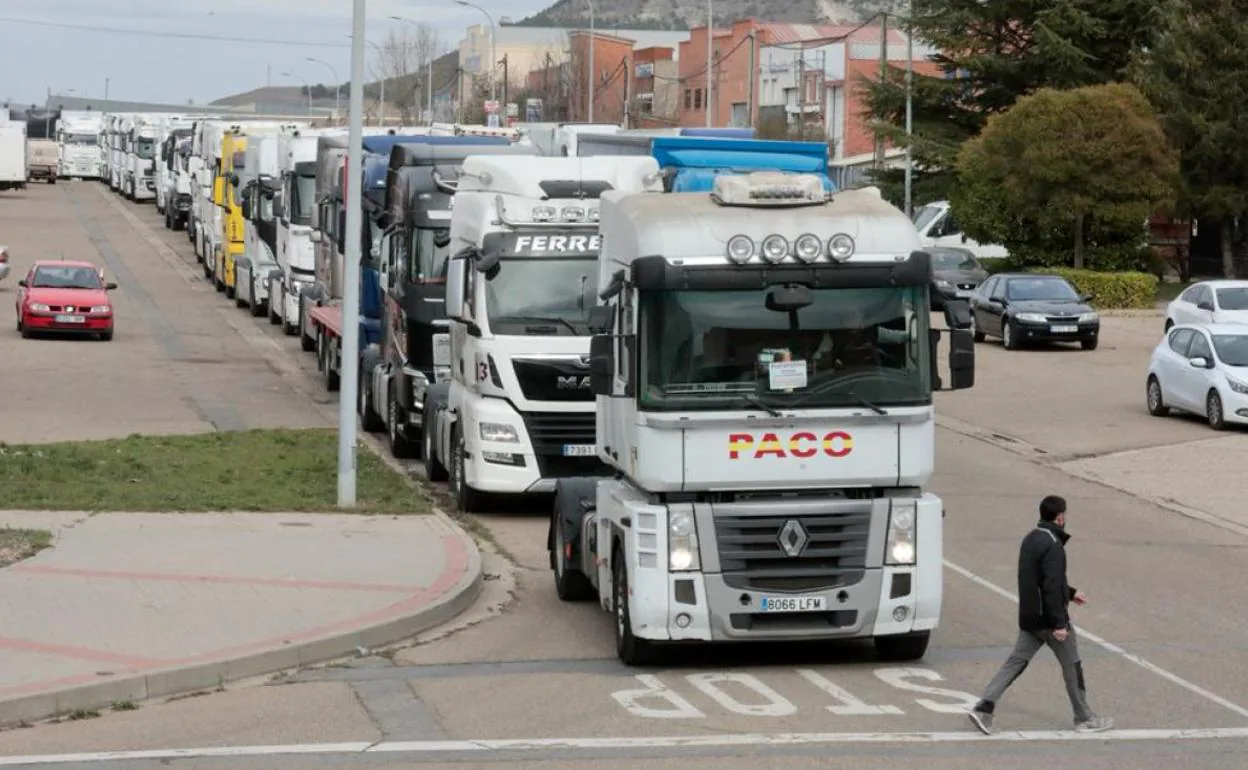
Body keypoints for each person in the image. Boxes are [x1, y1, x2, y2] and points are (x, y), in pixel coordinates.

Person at [967, 495, 1113, 735]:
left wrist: (1071, 592)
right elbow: (1051, 585)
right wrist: (1060, 623)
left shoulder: (1031, 539)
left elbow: (1038, 579)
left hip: (1030, 618)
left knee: (1015, 662)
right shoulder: (1053, 545)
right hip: (1049, 620)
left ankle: (984, 707)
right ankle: (1084, 718)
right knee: (1071, 665)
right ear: (1060, 517)